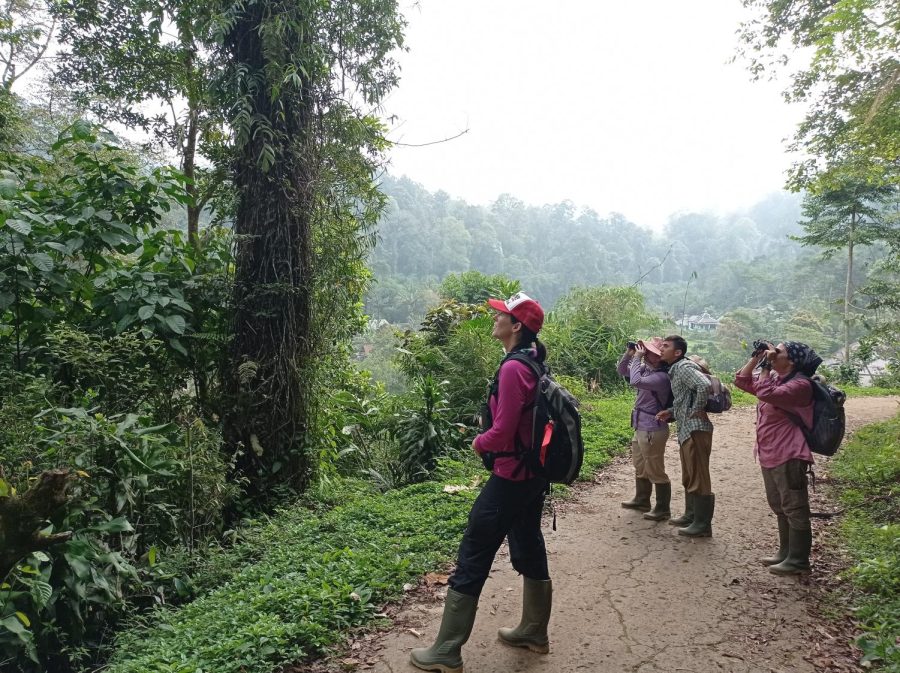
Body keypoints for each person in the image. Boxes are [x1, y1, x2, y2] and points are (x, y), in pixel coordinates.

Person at [410, 292, 552, 673]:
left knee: (474, 550)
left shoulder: (512, 368)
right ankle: (534, 632)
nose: (496, 319)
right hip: (532, 476)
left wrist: (478, 442)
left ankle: (446, 650)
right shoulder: (534, 363)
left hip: (509, 477)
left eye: (503, 315)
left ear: (517, 326)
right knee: (527, 541)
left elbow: (503, 432)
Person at [734, 340, 821, 575]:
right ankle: (785, 552)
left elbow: (766, 393)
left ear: (791, 360)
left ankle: (798, 560)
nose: (773, 355)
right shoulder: (775, 378)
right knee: (779, 505)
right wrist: (757, 357)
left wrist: (764, 366)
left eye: (778, 352)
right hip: (769, 451)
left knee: (794, 506)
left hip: (789, 453)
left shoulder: (801, 385)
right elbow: (741, 381)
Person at [655, 335, 716, 537]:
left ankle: (702, 524)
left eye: (665, 346)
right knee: (690, 474)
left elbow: (703, 385)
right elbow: (684, 398)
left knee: (699, 476)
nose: (661, 349)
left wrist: (697, 409)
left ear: (678, 352)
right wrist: (672, 412)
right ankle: (691, 515)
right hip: (686, 428)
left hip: (695, 428)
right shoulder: (677, 369)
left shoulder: (684, 368)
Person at [616, 337, 673, 521]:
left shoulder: (661, 377)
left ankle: (663, 508)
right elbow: (622, 371)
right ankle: (642, 500)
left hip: (653, 427)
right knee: (640, 465)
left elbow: (634, 381)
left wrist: (638, 358)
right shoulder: (647, 370)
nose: (645, 352)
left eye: (649, 351)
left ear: (658, 357)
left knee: (655, 467)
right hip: (641, 425)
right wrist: (630, 354)